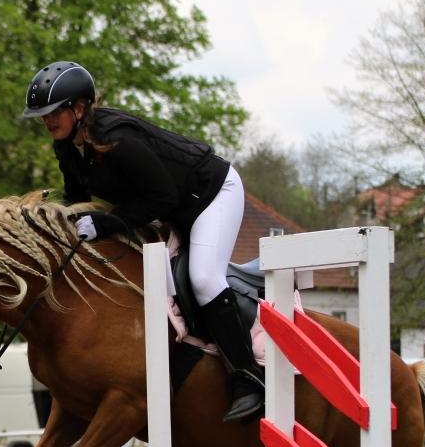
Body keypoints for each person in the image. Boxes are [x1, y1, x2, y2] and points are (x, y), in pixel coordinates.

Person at [22, 61, 262, 422]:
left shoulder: (119, 140)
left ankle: (248, 377)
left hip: (211, 195)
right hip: (172, 208)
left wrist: (105, 223)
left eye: (54, 112)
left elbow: (162, 197)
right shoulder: (68, 148)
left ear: (80, 108)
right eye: (43, 115)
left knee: (203, 278)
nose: (47, 121)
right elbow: (76, 201)